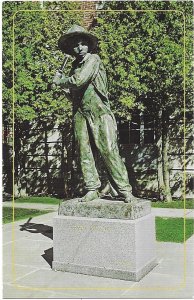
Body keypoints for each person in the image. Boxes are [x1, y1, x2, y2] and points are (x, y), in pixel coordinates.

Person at [53, 24, 136, 203]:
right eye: (76, 45)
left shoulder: (93, 60)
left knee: (108, 150)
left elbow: (79, 80)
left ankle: (124, 190)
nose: (80, 47)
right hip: (80, 114)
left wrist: (60, 82)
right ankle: (91, 188)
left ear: (89, 45)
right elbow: (74, 93)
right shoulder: (74, 66)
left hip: (100, 112)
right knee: (84, 152)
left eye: (83, 43)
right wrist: (61, 88)